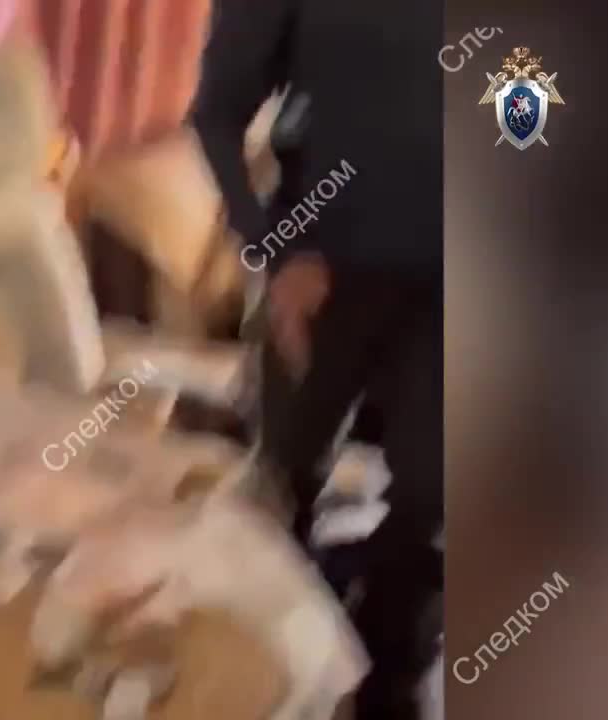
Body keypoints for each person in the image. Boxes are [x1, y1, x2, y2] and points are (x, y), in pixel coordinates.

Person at [189, 0, 442, 717]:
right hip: (321, 278)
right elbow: (215, 116)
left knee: (433, 491)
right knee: (281, 483)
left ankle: (386, 672)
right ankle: (269, 675)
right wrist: (274, 250)